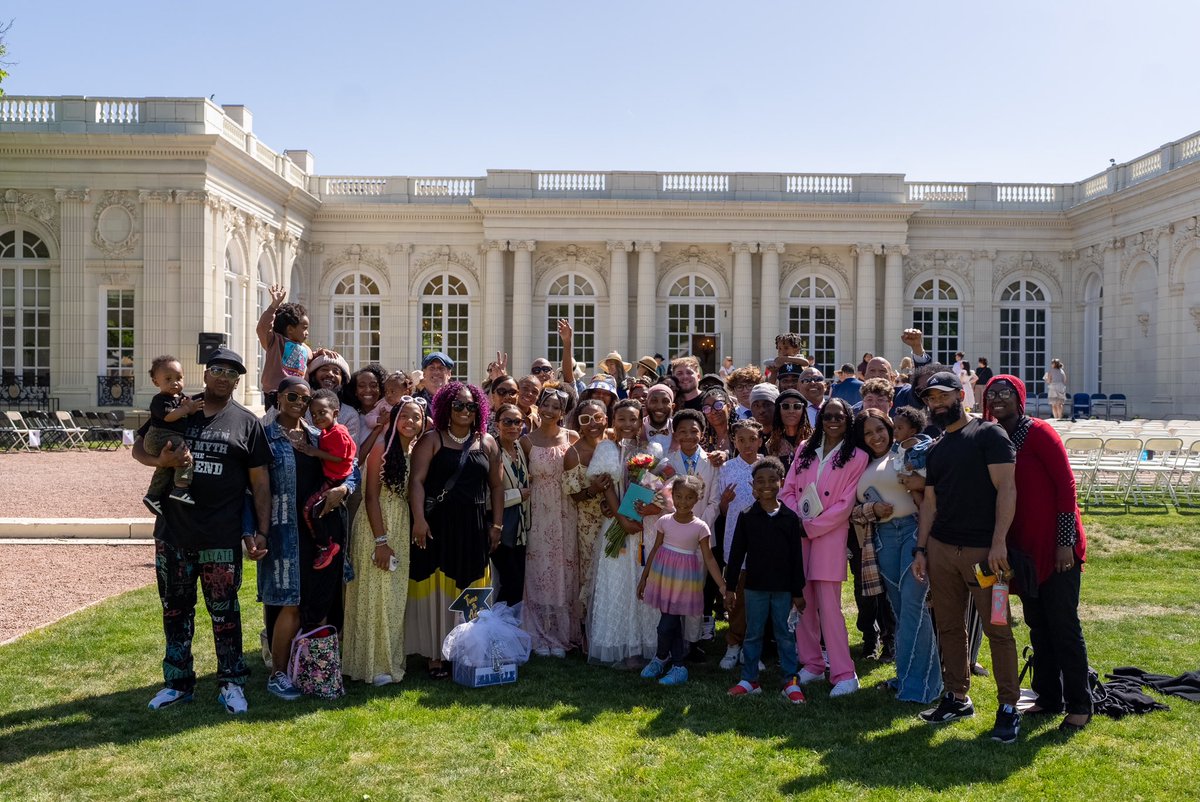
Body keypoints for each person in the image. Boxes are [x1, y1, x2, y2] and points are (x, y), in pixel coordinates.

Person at [132, 346, 271, 714]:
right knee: (176, 610)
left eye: (232, 374)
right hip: (173, 533)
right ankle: (177, 683)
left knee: (225, 612)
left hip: (221, 536)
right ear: (206, 374)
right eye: (218, 370)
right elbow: (138, 449)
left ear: (238, 382)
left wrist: (261, 530)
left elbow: (259, 484)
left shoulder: (246, 423)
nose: (224, 378)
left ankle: (231, 682)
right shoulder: (179, 409)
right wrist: (158, 460)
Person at [911, 371, 1021, 743]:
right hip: (942, 551)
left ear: (961, 394)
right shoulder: (937, 448)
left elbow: (1007, 488)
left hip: (985, 557)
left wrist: (999, 543)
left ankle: (1008, 707)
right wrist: (922, 549)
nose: (936, 403)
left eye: (942, 396)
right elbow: (929, 502)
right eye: (930, 398)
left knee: (998, 629)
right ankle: (957, 696)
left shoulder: (989, 434)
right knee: (949, 627)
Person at [983, 374, 1091, 732]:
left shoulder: (1039, 431)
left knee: (1063, 625)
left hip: (1056, 547)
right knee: (1037, 625)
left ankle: (1079, 703)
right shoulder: (994, 436)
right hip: (1023, 551)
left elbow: (1066, 487)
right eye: (992, 393)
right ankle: (1047, 697)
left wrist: (1065, 543)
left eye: (1005, 393)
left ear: (1020, 398)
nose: (998, 398)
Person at [255, 376, 358, 701]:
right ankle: (278, 675)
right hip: (284, 533)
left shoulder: (319, 435)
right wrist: (254, 531)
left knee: (319, 604)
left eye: (305, 399)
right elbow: (253, 489)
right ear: (279, 399)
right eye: (292, 397)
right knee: (289, 605)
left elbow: (349, 466)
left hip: (321, 532)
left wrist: (345, 489)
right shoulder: (265, 437)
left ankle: (314, 670)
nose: (299, 404)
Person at [408, 382, 504, 678]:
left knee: (470, 586)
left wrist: (497, 525)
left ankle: (465, 649)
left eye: (471, 406)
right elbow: (417, 482)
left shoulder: (487, 442)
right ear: (446, 408)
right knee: (435, 585)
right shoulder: (432, 439)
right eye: (459, 405)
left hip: (473, 525)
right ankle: (435, 655)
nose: (465, 410)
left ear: (480, 410)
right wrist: (419, 520)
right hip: (437, 525)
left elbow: (497, 486)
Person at [851, 410, 942, 703]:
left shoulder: (905, 453)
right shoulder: (859, 464)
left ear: (890, 429)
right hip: (881, 538)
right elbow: (851, 510)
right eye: (868, 433)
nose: (875, 437)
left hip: (913, 531)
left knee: (914, 606)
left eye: (880, 429)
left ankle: (921, 687)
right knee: (901, 609)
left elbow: (931, 490)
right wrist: (871, 511)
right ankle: (907, 677)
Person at [780, 397, 869, 698]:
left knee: (830, 608)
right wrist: (797, 519)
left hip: (829, 537)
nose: (833, 420)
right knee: (802, 602)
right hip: (799, 534)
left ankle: (844, 672)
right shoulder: (804, 449)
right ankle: (813, 664)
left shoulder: (857, 456)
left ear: (848, 420)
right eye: (828, 415)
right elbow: (788, 488)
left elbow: (845, 505)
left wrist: (811, 525)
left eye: (840, 416)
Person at [343, 397, 425, 686]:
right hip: (377, 527)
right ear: (394, 419)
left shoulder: (411, 451)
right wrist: (380, 540)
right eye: (405, 416)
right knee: (374, 594)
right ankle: (372, 664)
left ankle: (389, 660)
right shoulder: (381, 449)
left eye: (417, 417)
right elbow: (370, 497)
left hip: (400, 526)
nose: (411, 422)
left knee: (392, 596)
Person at [724, 458, 807, 703]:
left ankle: (789, 681)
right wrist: (730, 588)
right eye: (760, 481)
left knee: (785, 635)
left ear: (781, 482)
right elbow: (736, 554)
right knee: (753, 633)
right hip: (754, 588)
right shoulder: (747, 516)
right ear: (752, 486)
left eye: (773, 480)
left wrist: (797, 591)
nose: (767, 485)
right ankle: (750, 679)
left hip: (783, 589)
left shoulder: (790, 518)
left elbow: (796, 558)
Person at [638, 475, 726, 686]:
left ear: (697, 499)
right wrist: (644, 577)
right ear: (672, 497)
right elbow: (655, 550)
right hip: (663, 578)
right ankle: (678, 666)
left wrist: (722, 585)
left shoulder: (700, 527)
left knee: (665, 626)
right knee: (673, 624)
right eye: (678, 496)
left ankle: (661, 657)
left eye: (688, 498)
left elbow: (709, 558)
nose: (683, 502)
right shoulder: (664, 521)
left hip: (684, 582)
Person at [588, 399, 655, 666]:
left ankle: (643, 644)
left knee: (641, 578)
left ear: (641, 422)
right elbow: (605, 487)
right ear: (612, 421)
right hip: (617, 525)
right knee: (619, 581)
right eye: (622, 419)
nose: (627, 425)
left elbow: (655, 485)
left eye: (633, 419)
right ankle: (618, 645)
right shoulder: (607, 448)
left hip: (642, 526)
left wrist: (642, 511)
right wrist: (621, 518)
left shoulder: (650, 449)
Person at [521, 387, 581, 656]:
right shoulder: (526, 441)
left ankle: (562, 632)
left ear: (563, 412)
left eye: (555, 407)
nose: (549, 410)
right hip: (538, 511)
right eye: (545, 404)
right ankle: (539, 632)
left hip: (567, 510)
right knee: (539, 569)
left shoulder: (572, 437)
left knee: (565, 569)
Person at [716, 419, 764, 670]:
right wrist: (725, 501)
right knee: (736, 595)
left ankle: (752, 647)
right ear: (734, 442)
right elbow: (722, 511)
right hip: (735, 541)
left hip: (762, 543)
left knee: (758, 598)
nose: (747, 445)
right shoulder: (726, 468)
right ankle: (733, 643)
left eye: (752, 439)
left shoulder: (767, 466)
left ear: (760, 440)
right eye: (741, 440)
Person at [563, 398, 616, 625]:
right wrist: (593, 490)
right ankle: (589, 628)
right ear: (579, 424)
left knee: (613, 570)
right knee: (591, 572)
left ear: (606, 419)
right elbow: (573, 495)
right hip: (589, 522)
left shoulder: (614, 443)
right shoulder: (573, 454)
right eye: (585, 419)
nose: (592, 423)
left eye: (597, 418)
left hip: (616, 517)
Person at [294, 389, 356, 570]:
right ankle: (323, 544)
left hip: (335, 480)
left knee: (309, 509)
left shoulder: (338, 433)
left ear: (335, 413)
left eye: (322, 413)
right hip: (330, 476)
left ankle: (325, 545)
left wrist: (314, 452)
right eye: (313, 414)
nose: (317, 417)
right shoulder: (327, 431)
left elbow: (340, 457)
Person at [142, 355, 199, 513]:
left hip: (166, 436)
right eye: (168, 379)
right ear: (156, 382)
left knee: (166, 467)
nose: (175, 383)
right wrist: (186, 409)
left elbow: (185, 412)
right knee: (184, 455)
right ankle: (181, 487)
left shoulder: (180, 398)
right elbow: (169, 416)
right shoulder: (160, 400)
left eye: (179, 378)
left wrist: (191, 408)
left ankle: (152, 495)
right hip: (159, 436)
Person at [492, 402, 531, 606]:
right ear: (497, 424)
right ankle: (495, 629)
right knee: (510, 583)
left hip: (521, 531)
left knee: (517, 585)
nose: (513, 426)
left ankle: (508, 630)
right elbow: (487, 495)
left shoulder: (520, 447)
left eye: (518, 422)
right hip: (501, 530)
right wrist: (517, 494)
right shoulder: (491, 450)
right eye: (507, 421)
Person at [256, 284, 311, 409]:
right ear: (290, 329)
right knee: (275, 423)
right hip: (276, 394)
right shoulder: (275, 342)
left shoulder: (304, 347)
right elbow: (263, 327)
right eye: (304, 328)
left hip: (298, 395)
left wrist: (323, 352)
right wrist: (274, 306)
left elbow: (313, 357)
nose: (307, 333)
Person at [340, 363, 390, 455]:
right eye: (361, 386)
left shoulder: (389, 414)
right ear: (355, 391)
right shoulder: (351, 420)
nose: (368, 390)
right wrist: (376, 430)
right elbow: (355, 459)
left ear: (381, 389)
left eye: (373, 385)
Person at [893, 406, 933, 506]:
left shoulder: (915, 443)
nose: (895, 431)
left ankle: (925, 514)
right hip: (909, 475)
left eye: (899, 428)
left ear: (912, 431)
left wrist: (914, 464)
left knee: (919, 496)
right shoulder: (898, 444)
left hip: (920, 474)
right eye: (894, 427)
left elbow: (924, 457)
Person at [766, 388, 811, 471]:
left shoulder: (814, 440)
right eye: (785, 406)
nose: (791, 411)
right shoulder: (771, 445)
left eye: (797, 406)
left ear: (803, 411)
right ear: (779, 411)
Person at [700, 386, 734, 455]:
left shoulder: (740, 432)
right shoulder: (702, 440)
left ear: (728, 407)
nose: (713, 411)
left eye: (718, 405)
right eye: (707, 408)